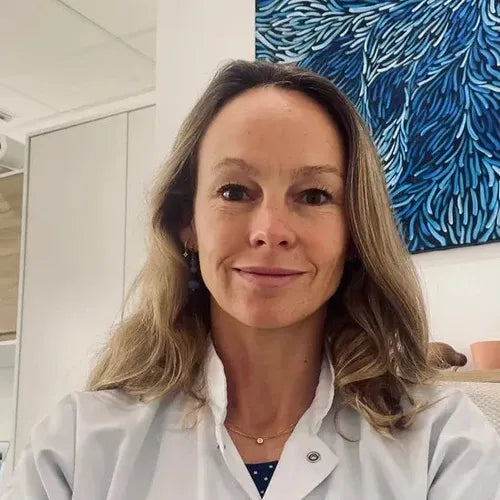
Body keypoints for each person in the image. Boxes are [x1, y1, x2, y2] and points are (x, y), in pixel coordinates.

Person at [1, 60, 499, 500]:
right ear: (187, 222)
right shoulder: (76, 445)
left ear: (353, 232)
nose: (270, 231)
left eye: (314, 196)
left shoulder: (446, 444)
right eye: (235, 191)